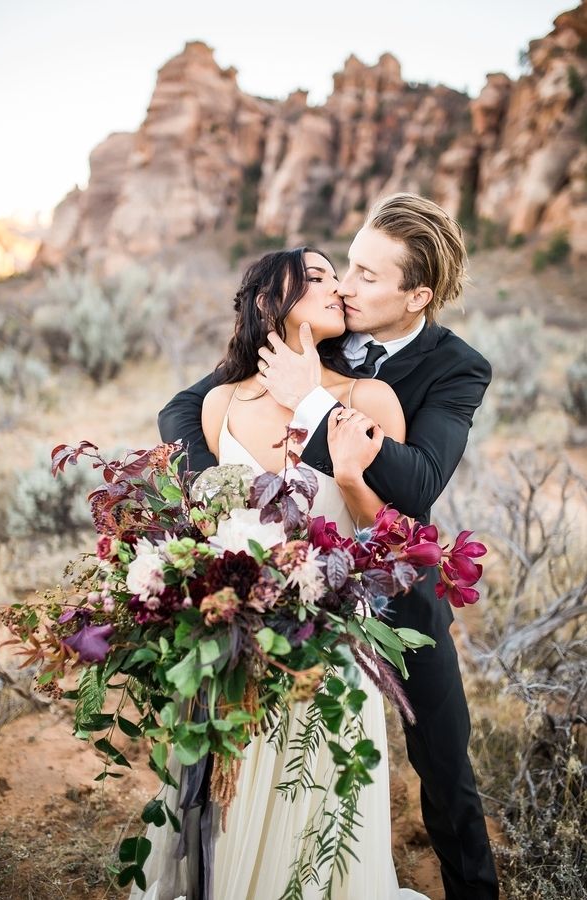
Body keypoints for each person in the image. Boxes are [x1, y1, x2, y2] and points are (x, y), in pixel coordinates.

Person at [158, 193, 499, 900]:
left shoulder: (455, 367)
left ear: (417, 296)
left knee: (446, 770)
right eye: (346, 265)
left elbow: (418, 487)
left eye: (368, 275)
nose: (345, 284)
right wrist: (228, 514)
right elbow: (184, 408)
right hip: (277, 598)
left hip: (397, 591)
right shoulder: (321, 331)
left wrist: (314, 402)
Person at [136, 245, 430, 900]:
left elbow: (394, 540)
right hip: (238, 650)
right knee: (229, 819)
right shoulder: (221, 406)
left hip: (329, 650)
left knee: (319, 821)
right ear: (270, 299)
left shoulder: (371, 398)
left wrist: (351, 476)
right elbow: (209, 525)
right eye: (316, 276)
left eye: (338, 275)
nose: (337, 287)